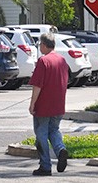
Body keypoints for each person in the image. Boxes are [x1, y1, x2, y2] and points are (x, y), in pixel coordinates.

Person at [28, 32, 69, 176]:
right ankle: (60, 150)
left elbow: (37, 85)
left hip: (44, 105)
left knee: (41, 135)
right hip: (59, 104)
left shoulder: (43, 61)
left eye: (40, 45)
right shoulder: (62, 60)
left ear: (44, 45)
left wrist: (32, 103)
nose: (40, 47)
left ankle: (45, 166)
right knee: (54, 130)